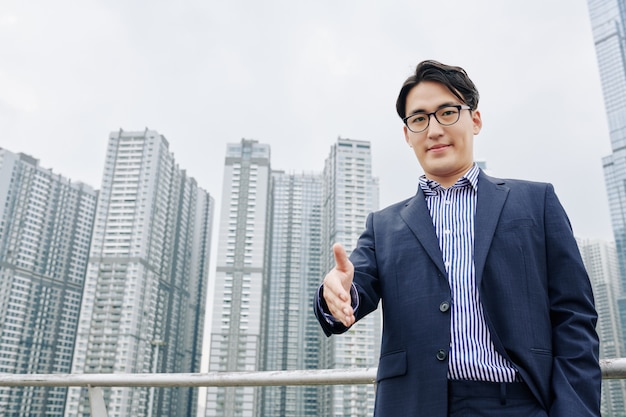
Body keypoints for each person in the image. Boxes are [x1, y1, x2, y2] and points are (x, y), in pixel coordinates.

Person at [314, 60, 601, 417]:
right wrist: (338, 293)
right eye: (419, 119)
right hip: (414, 404)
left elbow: (573, 316)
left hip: (520, 403)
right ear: (407, 135)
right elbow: (357, 286)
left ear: (475, 120)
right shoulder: (383, 225)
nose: (433, 130)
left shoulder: (536, 202)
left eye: (447, 112)